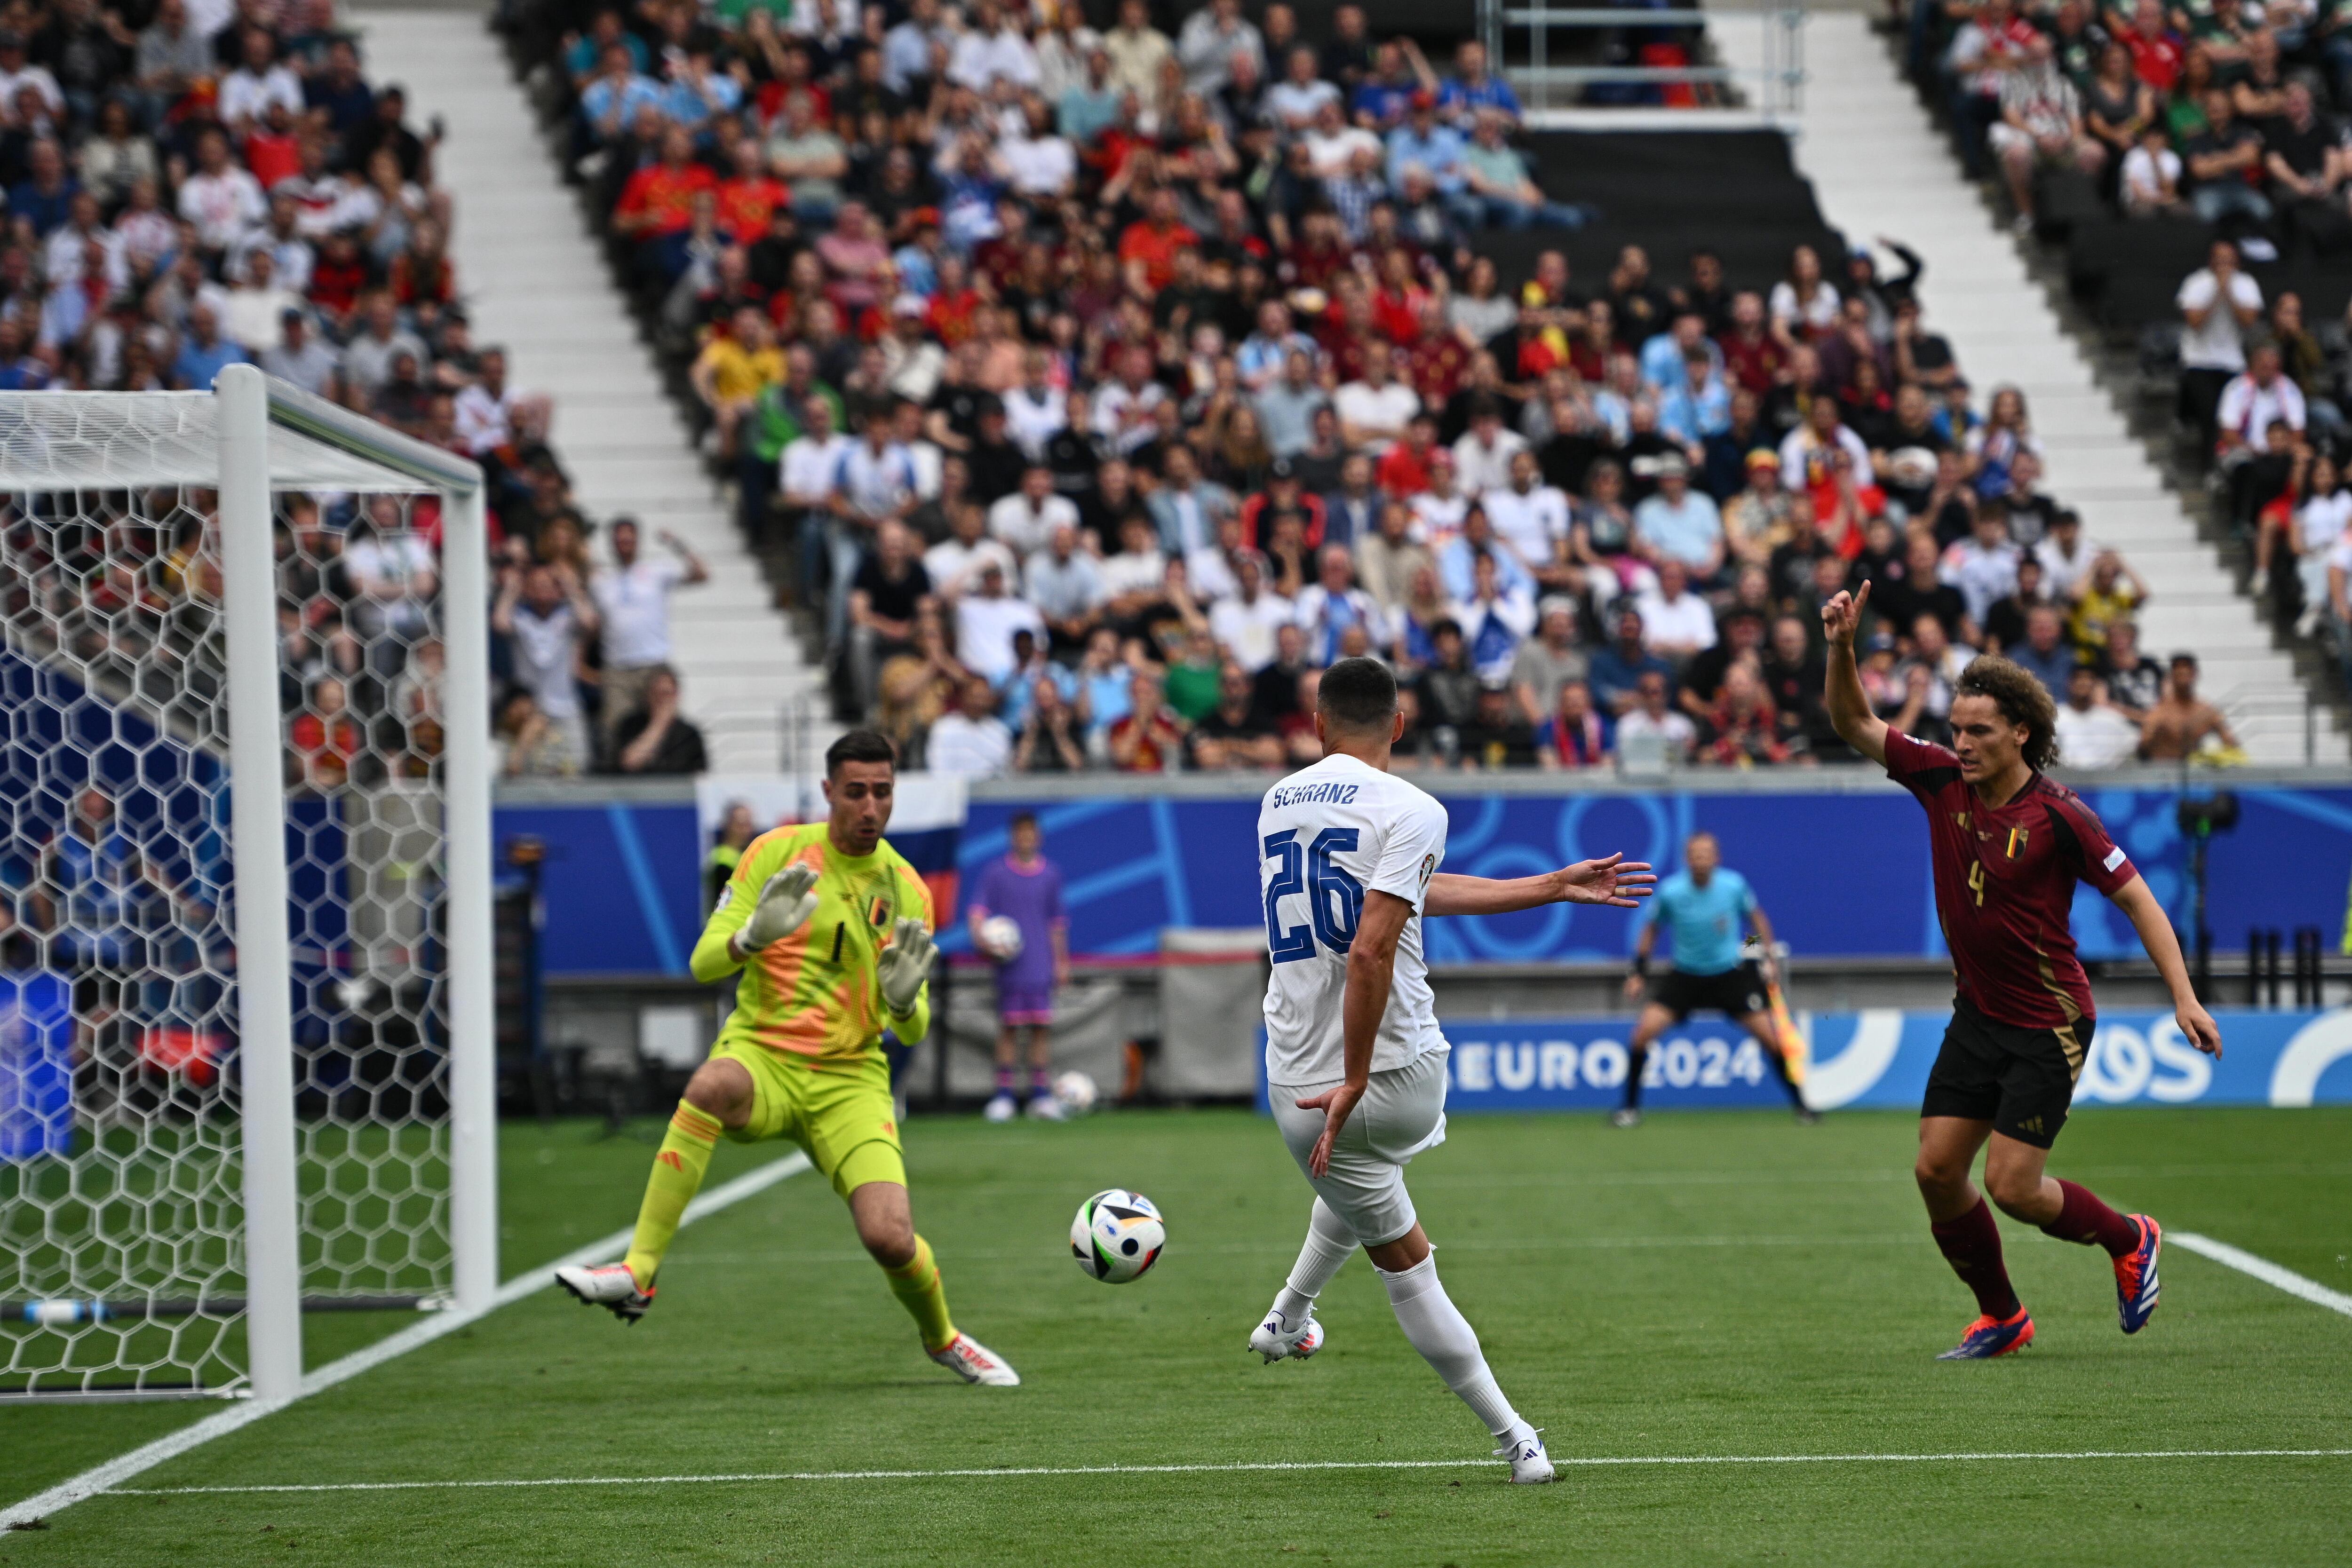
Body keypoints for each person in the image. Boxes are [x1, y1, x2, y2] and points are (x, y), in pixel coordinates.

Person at [1248, 656, 1653, 1483]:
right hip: (1391, 1072)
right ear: (1399, 725)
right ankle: (1518, 1439)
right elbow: (1371, 945)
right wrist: (1358, 1073)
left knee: (1362, 1182)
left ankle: (1288, 1315)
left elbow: (1401, 895)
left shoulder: (1275, 802)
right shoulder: (1414, 806)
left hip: (1293, 1084)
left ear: (1318, 725)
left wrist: (1547, 885)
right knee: (1402, 1242)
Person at [1820, 582, 2220, 1359]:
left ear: (2020, 732)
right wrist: (1841, 647)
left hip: (2048, 1020)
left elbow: (2138, 900)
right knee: (1936, 1169)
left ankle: (2128, 1235)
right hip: (1977, 1013)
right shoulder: (1937, 779)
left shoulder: (2062, 814)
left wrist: (2184, 995)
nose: (1960, 743)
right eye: (1956, 728)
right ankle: (2002, 1314)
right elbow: (1852, 721)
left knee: (2011, 1184)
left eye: (1978, 731)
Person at [556, 731, 1018, 1387]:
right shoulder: (773, 854)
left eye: (882, 793)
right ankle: (637, 1271)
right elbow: (701, 963)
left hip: (850, 1078)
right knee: (711, 1081)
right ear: (828, 791)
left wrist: (906, 1000)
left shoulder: (907, 890)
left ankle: (943, 1337)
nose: (869, 807)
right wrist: (750, 937)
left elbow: (913, 1033)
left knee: (889, 1237)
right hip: (764, 1056)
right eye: (855, 791)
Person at [1614, 832, 1814, 1128]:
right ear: (1687, 859)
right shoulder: (1671, 892)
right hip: (1685, 976)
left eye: (1706, 853)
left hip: (1728, 975)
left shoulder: (1734, 886)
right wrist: (1638, 973)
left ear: (1717, 858)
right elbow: (1651, 931)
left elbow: (1756, 921)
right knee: (1641, 1035)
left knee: (1772, 1039)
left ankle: (1802, 1107)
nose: (1701, 859)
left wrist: (1763, 953)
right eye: (1695, 854)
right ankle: (1629, 1111)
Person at [969, 811, 1070, 1124]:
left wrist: (1061, 961)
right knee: (1010, 1029)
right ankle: (1004, 1097)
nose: (1026, 839)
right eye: (1020, 833)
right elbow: (977, 912)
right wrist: (982, 940)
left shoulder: (1050, 874)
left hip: (1040, 965)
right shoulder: (996, 873)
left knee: (1040, 1029)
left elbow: (1057, 923)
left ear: (1038, 837)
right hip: (1010, 967)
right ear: (1013, 837)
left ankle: (1040, 1097)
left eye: (1031, 833)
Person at [591, 517, 709, 763]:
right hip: (617, 669)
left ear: (637, 542)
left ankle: (662, 772)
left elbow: (701, 574)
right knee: (615, 728)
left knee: (661, 723)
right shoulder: (601, 580)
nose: (624, 544)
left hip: (654, 665)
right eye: (620, 540)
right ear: (613, 544)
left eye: (629, 539)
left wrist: (678, 544)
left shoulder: (656, 572)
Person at [2136, 652, 2238, 760]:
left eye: (2187, 675)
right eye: (2179, 675)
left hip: (2193, 772)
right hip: (2162, 770)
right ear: (2172, 677)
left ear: (2195, 675)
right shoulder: (2160, 712)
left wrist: (2216, 759)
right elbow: (2143, 747)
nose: (2184, 680)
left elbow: (2232, 744)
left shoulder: (2206, 711)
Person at [612, 665, 710, 775]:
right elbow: (629, 763)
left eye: (666, 694)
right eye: (656, 694)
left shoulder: (690, 734)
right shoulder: (631, 725)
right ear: (648, 695)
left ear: (676, 695)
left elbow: (700, 776)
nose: (661, 700)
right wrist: (658, 725)